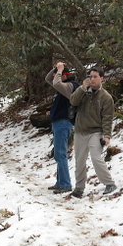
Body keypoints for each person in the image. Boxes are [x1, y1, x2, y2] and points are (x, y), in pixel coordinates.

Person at [68, 67, 117, 197]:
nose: (92, 79)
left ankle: (109, 183)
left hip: (96, 132)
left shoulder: (106, 97)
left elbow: (107, 118)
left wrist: (107, 136)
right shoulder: (83, 91)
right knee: (79, 161)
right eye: (90, 76)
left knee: (96, 157)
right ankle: (79, 187)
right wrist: (82, 89)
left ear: (102, 78)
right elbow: (73, 101)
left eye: (95, 76)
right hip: (80, 131)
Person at [45, 61, 78, 193]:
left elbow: (56, 83)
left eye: (59, 75)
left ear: (64, 75)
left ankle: (65, 184)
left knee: (61, 154)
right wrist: (56, 69)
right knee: (59, 154)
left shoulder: (70, 86)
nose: (56, 77)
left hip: (64, 123)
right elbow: (48, 79)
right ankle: (60, 182)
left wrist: (59, 70)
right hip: (60, 123)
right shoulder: (64, 85)